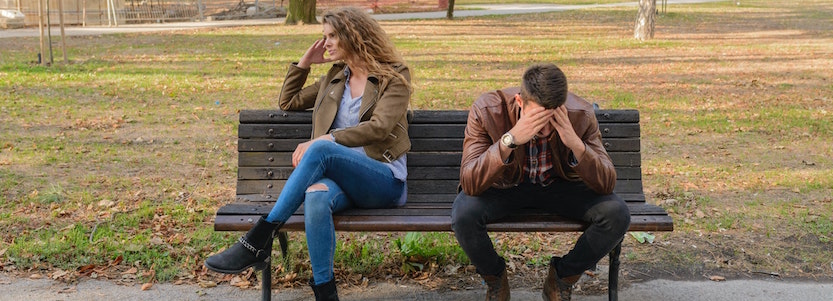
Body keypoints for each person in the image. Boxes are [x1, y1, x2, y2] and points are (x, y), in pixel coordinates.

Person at [205, 7, 412, 301]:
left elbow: (379, 128)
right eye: (324, 36)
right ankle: (325, 292)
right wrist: (304, 63)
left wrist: (325, 139)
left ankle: (259, 237)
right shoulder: (335, 78)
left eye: (331, 36)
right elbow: (288, 101)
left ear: (353, 35)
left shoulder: (394, 75)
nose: (325, 43)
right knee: (315, 195)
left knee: (323, 148)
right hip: (344, 181)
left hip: (384, 179)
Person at [451, 63, 630, 301]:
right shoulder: (487, 110)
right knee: (464, 214)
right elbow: (470, 182)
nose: (544, 128)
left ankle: (562, 278)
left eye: (552, 118)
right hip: (506, 187)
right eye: (536, 118)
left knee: (616, 214)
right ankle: (495, 279)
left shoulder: (581, 114)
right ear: (520, 101)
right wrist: (510, 140)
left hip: (558, 186)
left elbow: (606, 183)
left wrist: (575, 143)